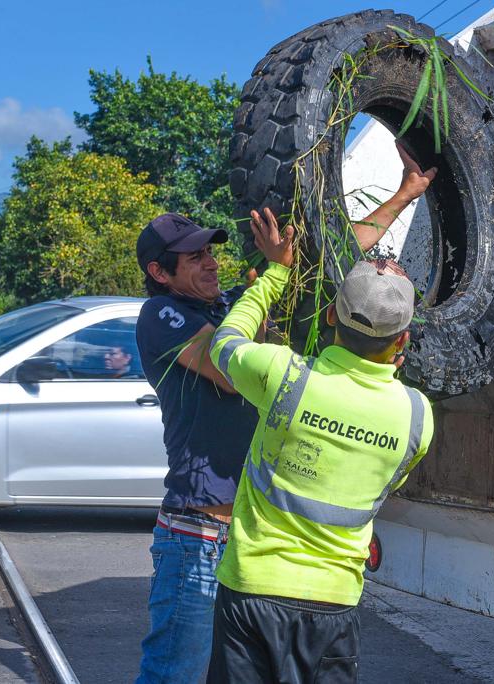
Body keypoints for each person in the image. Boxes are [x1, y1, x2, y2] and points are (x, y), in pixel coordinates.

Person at [134, 141, 435, 684]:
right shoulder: (162, 315)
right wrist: (271, 289)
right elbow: (226, 367)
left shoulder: (231, 304)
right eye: (195, 257)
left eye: (210, 252)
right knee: (174, 674)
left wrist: (404, 194)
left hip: (247, 541)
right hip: (199, 532)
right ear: (159, 271)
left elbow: (338, 265)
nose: (210, 262)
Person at [205, 208, 434, 684]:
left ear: (330, 315)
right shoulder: (417, 417)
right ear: (403, 339)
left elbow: (224, 342)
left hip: (252, 591)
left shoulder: (285, 377)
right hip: (334, 605)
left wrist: (276, 273)